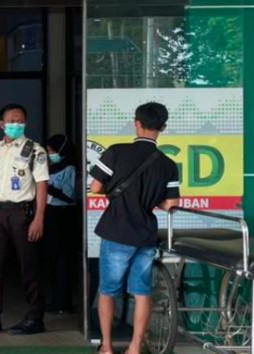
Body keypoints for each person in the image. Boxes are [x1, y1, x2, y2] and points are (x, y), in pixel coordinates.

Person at [88, 102, 180, 354]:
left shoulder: (116, 152)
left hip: (117, 231)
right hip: (145, 234)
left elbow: (95, 187)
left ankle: (107, 347)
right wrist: (149, 199)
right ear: (163, 127)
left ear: (136, 123)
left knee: (108, 291)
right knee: (142, 292)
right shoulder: (168, 164)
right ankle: (135, 347)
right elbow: (170, 204)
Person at [0, 104, 49, 337]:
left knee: (28, 266)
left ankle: (35, 318)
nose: (16, 124)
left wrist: (39, 218)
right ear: (2, 124)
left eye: (20, 120)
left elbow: (42, 185)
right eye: (12, 121)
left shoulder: (35, 150)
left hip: (22, 213)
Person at [42, 134, 78, 314]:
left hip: (63, 215)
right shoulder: (52, 167)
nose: (50, 154)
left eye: (51, 151)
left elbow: (69, 195)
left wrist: (46, 187)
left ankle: (63, 301)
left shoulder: (70, 168)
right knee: (53, 259)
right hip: (51, 213)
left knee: (62, 259)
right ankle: (56, 299)